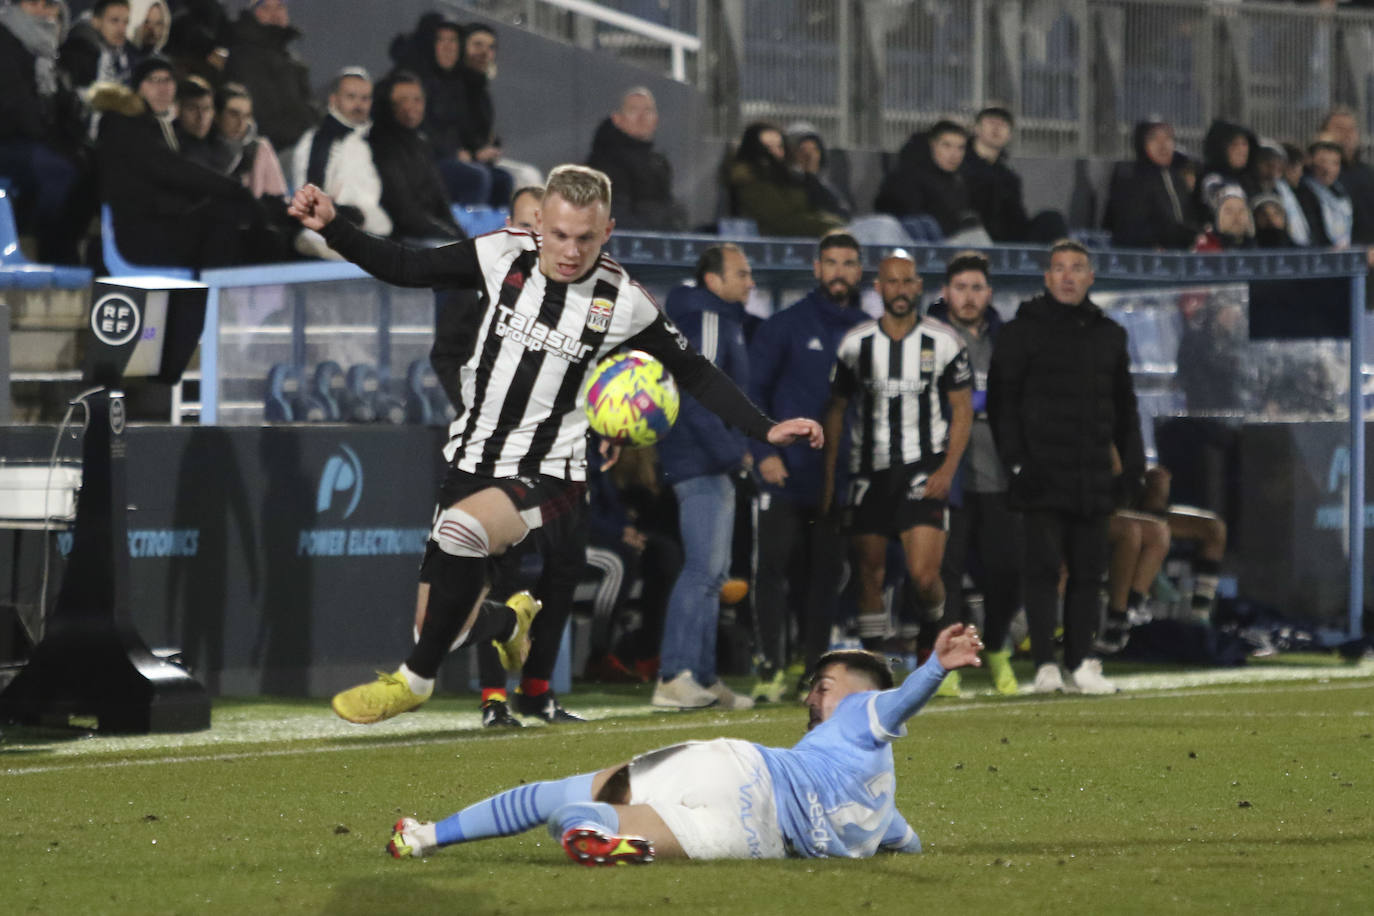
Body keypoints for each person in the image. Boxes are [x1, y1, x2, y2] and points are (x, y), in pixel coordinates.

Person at [287, 164, 824, 725]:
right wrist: (333, 228)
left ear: (607, 231)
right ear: (540, 221)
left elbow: (694, 371)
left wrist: (765, 429)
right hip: (471, 457)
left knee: (460, 532)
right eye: (560, 234)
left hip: (550, 470)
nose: (570, 250)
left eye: (586, 238)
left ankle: (413, 682)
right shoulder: (501, 253)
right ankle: (509, 623)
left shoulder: (623, 301)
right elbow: (404, 266)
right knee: (439, 628)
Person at [385, 623, 985, 864]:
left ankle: (425, 837)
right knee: (630, 832)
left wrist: (934, 667)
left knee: (563, 792)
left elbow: (897, 702)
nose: (811, 698)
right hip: (757, 840)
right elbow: (908, 842)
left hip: (737, 768)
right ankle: (590, 833)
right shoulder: (880, 806)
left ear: (858, 691)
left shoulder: (859, 710)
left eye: (821, 687)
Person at [987, 240, 1145, 695]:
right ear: (1046, 276)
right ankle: (1044, 665)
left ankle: (1082, 663)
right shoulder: (1020, 333)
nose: (1068, 276)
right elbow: (1003, 406)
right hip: (1039, 475)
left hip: (1093, 474)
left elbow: (1125, 409)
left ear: (1091, 277)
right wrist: (1016, 463)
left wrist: (1132, 467)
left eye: (1077, 268)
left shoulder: (1109, 335)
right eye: (1059, 268)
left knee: (1089, 573)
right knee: (1041, 571)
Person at [820, 253, 973, 666]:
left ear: (918, 286)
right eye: (893, 282)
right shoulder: (856, 344)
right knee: (869, 572)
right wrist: (832, 480)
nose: (901, 290)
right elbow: (835, 409)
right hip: (869, 470)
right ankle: (873, 667)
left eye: (908, 282)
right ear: (879, 288)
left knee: (924, 576)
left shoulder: (944, 342)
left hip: (923, 467)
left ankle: (930, 625)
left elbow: (962, 410)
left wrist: (947, 470)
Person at [747, 232, 869, 700]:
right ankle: (769, 668)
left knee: (824, 577)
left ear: (859, 272)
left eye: (848, 263)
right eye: (831, 262)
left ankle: (812, 672)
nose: (839, 271)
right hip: (783, 474)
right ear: (817, 269)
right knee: (773, 572)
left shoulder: (865, 331)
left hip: (836, 482)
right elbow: (752, 392)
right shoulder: (784, 326)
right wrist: (764, 453)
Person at [652, 244, 758, 710]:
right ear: (713, 280)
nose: (750, 282)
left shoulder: (716, 317)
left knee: (713, 574)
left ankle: (704, 677)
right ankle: (674, 675)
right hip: (699, 457)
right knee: (701, 571)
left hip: (706, 457)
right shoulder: (708, 319)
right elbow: (699, 391)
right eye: (741, 273)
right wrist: (734, 451)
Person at [924, 251, 1022, 696]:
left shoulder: (1007, 340)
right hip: (949, 476)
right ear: (945, 293)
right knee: (948, 571)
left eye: (976, 288)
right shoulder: (928, 339)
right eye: (960, 288)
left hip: (999, 475)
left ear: (990, 294)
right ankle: (948, 663)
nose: (968, 297)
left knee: (1004, 570)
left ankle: (998, 646)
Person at [93, 54, 265, 268]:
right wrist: (233, 188)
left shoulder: (156, 125)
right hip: (140, 236)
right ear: (138, 87)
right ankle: (211, 296)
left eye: (168, 80)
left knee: (236, 218)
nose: (164, 88)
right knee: (224, 218)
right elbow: (169, 168)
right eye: (155, 81)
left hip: (162, 223)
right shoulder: (122, 123)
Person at [0, 0, 89, 264]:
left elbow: (56, 101)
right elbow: (15, 104)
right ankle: (37, 238)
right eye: (32, 3)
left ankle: (62, 246)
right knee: (59, 170)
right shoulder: (5, 42)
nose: (41, 10)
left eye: (45, 3)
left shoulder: (47, 46)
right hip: (9, 138)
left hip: (34, 136)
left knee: (89, 169)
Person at [292, 67, 392, 259]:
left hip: (373, 229)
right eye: (351, 97)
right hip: (333, 227)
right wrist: (346, 214)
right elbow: (310, 198)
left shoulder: (370, 140)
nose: (359, 105)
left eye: (365, 98)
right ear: (333, 99)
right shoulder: (317, 141)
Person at [370, 69, 463, 242]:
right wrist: (448, 236)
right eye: (403, 100)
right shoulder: (381, 145)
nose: (412, 106)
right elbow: (404, 213)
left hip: (429, 231)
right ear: (387, 104)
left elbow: (439, 198)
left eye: (417, 100)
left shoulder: (420, 142)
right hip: (402, 238)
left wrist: (458, 234)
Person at [961, 106, 1067, 244]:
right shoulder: (958, 162)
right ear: (976, 128)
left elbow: (1017, 219)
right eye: (991, 122)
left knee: (1052, 219)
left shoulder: (1008, 177)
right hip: (970, 233)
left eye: (1003, 124)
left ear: (1009, 135)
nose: (997, 128)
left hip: (1007, 239)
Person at [224, 0, 318, 154]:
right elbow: (260, 115)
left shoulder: (293, 61)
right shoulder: (244, 57)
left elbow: (309, 107)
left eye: (280, 6)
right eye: (265, 7)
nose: (275, 13)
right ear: (252, 13)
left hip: (302, 145)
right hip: (272, 151)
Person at [585, 87, 686, 231]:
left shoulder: (660, 163)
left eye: (648, 111)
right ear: (617, 119)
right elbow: (615, 215)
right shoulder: (603, 162)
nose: (642, 117)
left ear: (656, 119)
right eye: (633, 110)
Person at [726, 120, 846, 237]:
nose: (775, 152)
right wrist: (831, 225)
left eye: (779, 146)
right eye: (768, 146)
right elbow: (781, 220)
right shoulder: (750, 180)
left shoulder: (786, 176)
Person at [875, 120, 987, 242]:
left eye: (960, 148)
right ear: (932, 145)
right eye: (946, 145)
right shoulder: (907, 177)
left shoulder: (961, 181)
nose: (954, 154)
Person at [1103, 120, 1205, 250]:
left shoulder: (1176, 178)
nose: (1163, 145)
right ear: (1142, 143)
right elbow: (1129, 226)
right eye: (1154, 139)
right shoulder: (1130, 178)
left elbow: (1186, 220)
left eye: (1168, 138)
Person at [213, 80, 289, 199]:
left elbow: (277, 197)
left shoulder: (259, 149)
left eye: (246, 116)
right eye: (234, 114)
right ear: (217, 115)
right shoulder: (205, 148)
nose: (241, 123)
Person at [59, 0, 132, 90]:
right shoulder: (80, 51)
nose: (122, 29)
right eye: (114, 21)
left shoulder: (123, 52)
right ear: (96, 21)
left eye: (126, 22)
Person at [786, 123, 851, 221]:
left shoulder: (822, 186)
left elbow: (843, 214)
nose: (810, 156)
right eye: (803, 150)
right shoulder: (783, 186)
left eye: (814, 150)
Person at [1297, 139, 1354, 248]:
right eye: (1323, 161)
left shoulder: (1341, 192)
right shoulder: (1303, 192)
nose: (1328, 169)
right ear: (1310, 162)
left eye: (1335, 163)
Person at [174, 74, 233, 173]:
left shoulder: (223, 149)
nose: (201, 117)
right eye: (192, 109)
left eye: (206, 109)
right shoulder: (166, 144)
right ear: (177, 110)